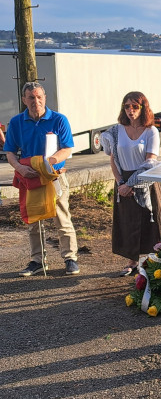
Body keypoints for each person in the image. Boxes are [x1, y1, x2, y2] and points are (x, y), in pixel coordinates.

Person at [4, 82, 80, 276]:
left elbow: (67, 148)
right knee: (33, 221)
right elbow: (10, 152)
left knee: (62, 218)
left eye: (39, 97)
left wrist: (50, 164)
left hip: (53, 177)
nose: (35, 101)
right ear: (24, 100)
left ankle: (70, 258)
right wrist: (20, 167)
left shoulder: (59, 120)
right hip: (29, 177)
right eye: (31, 97)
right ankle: (37, 261)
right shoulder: (16, 122)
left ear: (45, 98)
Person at [105, 92, 161, 277]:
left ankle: (152, 261)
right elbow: (113, 159)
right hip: (123, 180)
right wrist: (120, 183)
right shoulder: (116, 131)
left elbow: (150, 161)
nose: (130, 110)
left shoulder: (151, 131)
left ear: (143, 108)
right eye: (127, 106)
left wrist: (131, 184)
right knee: (128, 222)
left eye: (135, 106)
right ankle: (132, 261)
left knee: (150, 221)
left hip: (145, 180)